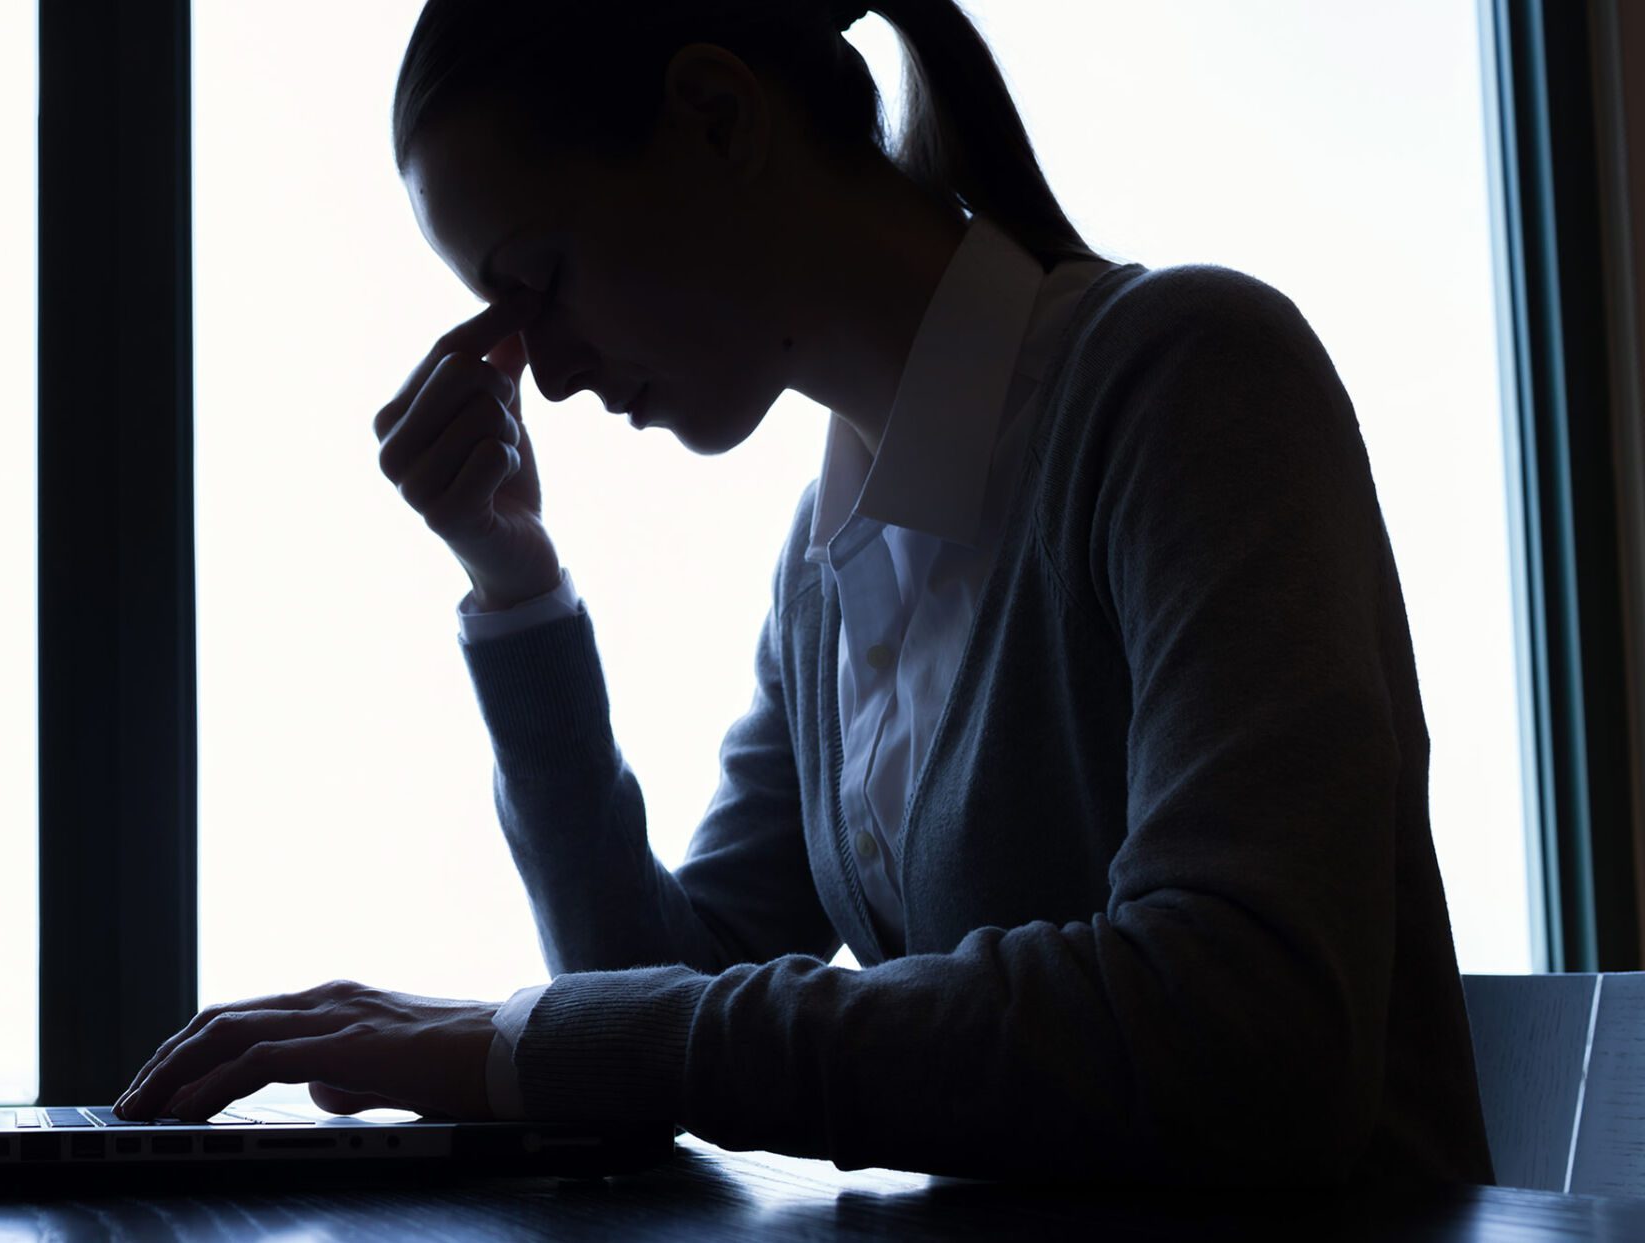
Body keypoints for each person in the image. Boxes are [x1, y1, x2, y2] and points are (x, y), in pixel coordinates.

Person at [114, 0, 1495, 1184]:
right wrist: (514, 585)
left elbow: (1247, 1031)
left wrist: (511, 1042)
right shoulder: (827, 569)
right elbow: (665, 979)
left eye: (540, 285)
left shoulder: (1187, 381)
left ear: (718, 117)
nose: (544, 377)